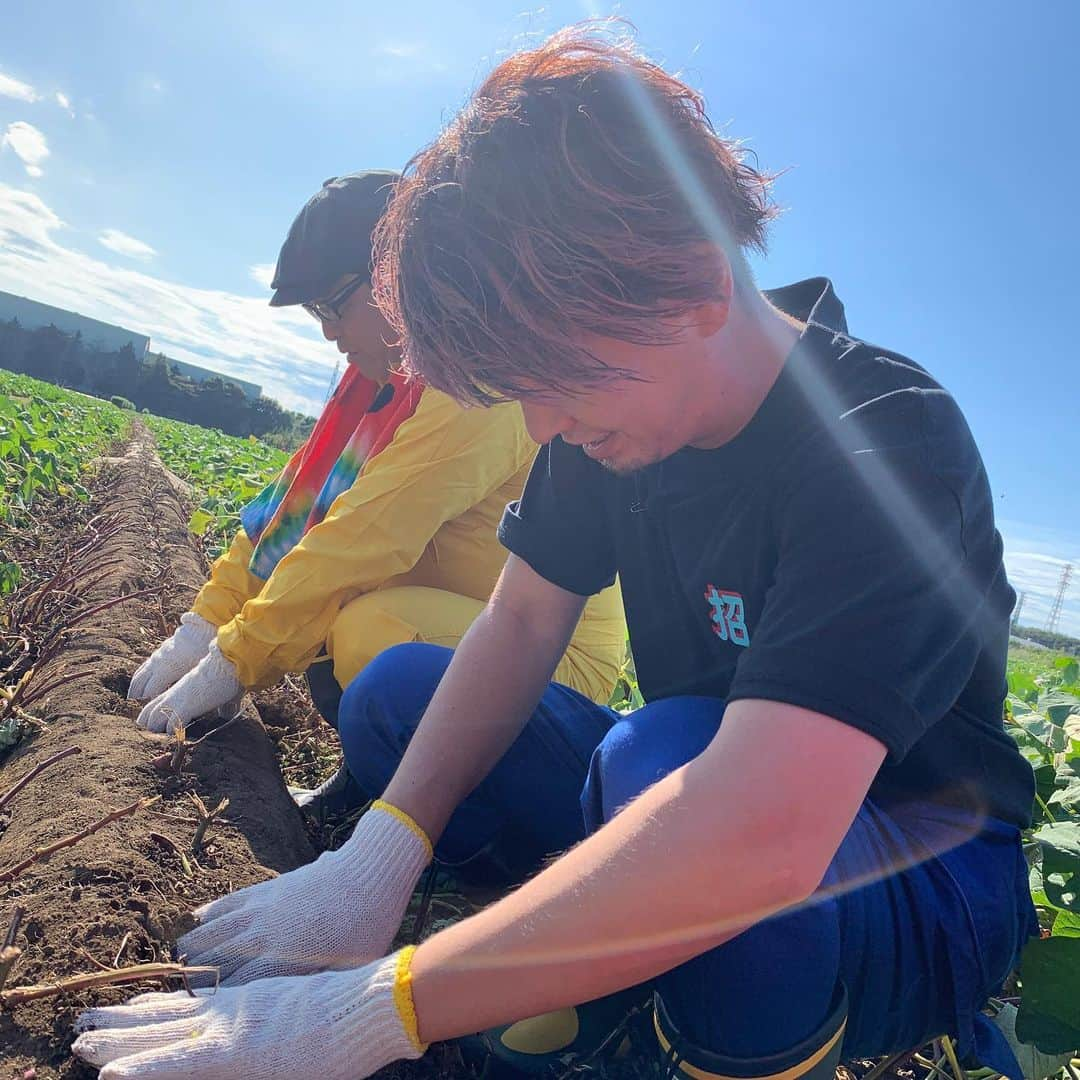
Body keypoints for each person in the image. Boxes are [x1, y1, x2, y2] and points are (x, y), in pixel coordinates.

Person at [74, 25, 1037, 1080]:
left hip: (907, 875)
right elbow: (523, 620)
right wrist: (381, 857)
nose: (536, 427)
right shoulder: (610, 408)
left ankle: (685, 1047)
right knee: (399, 690)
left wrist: (372, 1011)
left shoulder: (884, 446)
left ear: (695, 287)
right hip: (697, 785)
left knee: (662, 762)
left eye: (550, 381)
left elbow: (760, 828)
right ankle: (589, 955)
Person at [125, 169, 626, 819]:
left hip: (548, 654)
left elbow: (364, 537)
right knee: (331, 605)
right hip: (462, 617)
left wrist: (236, 658)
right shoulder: (377, 388)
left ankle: (458, 831)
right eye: (316, 314)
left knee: (365, 625)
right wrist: (204, 626)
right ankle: (368, 784)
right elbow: (290, 518)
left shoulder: (474, 386)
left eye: (333, 305)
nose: (329, 333)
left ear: (397, 278)